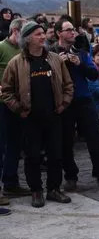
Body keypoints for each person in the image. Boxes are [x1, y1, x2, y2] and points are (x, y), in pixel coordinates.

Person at [1, 21, 74, 207]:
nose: (42, 37)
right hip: (30, 119)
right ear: (27, 39)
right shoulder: (16, 63)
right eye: (37, 34)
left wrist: (63, 104)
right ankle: (36, 190)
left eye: (43, 33)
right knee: (32, 156)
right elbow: (6, 91)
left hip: (54, 116)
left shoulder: (55, 59)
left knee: (55, 155)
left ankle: (54, 189)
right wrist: (18, 109)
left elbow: (68, 85)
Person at [51, 19, 99, 191]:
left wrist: (79, 63)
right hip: (64, 102)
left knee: (95, 139)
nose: (72, 33)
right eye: (68, 30)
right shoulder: (51, 52)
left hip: (83, 99)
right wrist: (58, 63)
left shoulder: (81, 51)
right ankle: (71, 177)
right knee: (66, 141)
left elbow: (92, 74)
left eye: (73, 30)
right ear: (59, 32)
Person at [0, 18, 30, 202]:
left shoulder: (23, 50)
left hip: (18, 105)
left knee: (15, 145)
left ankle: (11, 183)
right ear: (15, 31)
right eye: (24, 33)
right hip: (2, 103)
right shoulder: (2, 47)